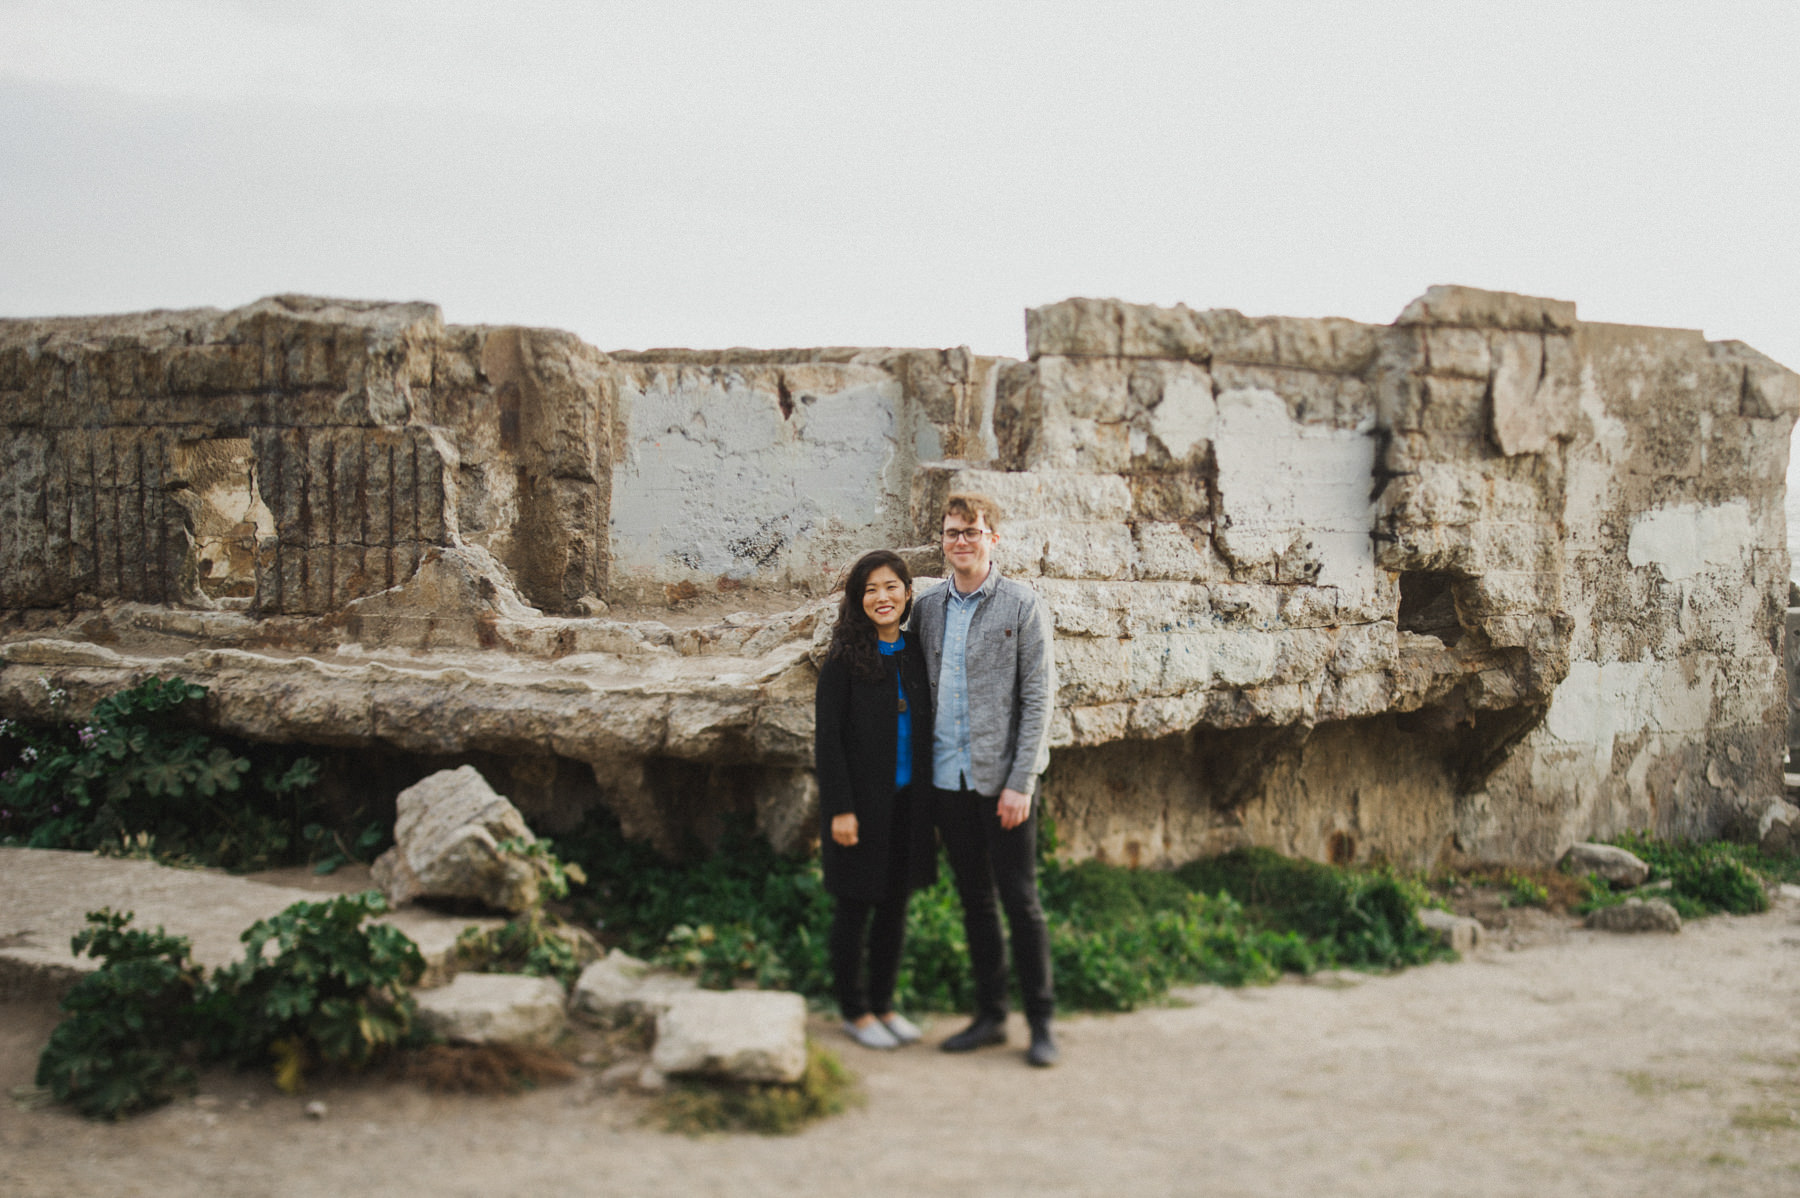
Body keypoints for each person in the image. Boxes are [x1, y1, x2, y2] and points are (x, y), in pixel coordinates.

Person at [914, 492, 1059, 1068]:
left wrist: (1021, 782)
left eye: (971, 532)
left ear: (992, 538)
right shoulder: (927, 608)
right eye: (952, 533)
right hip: (948, 782)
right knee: (975, 900)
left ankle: (1041, 1023)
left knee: (1021, 902)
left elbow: (1039, 697)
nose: (961, 542)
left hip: (1005, 784)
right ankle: (991, 1016)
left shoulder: (1022, 604)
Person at [814, 549, 939, 1050]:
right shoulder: (844, 659)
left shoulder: (915, 652)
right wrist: (840, 809)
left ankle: (884, 1005)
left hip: (909, 805)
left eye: (891, 587)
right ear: (857, 600)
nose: (881, 597)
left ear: (908, 593)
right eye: (870, 589)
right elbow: (829, 741)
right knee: (855, 908)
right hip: (860, 809)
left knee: (894, 908)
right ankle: (855, 1011)